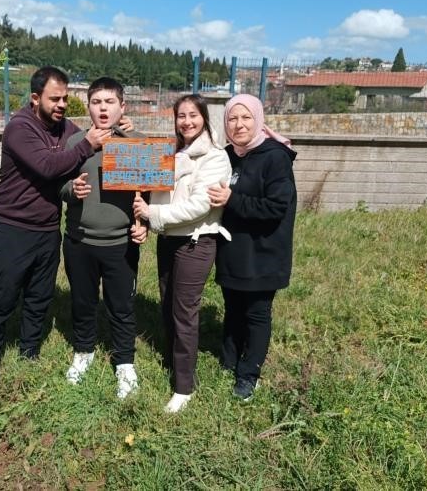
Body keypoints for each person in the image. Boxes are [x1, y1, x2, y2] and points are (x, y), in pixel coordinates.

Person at [0, 66, 111, 384]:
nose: (62, 104)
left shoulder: (65, 128)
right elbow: (48, 166)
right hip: (11, 229)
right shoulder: (20, 128)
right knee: (3, 297)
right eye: (55, 99)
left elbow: (88, 137)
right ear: (35, 98)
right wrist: (87, 144)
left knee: (39, 298)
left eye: (65, 98)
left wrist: (118, 130)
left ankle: (29, 352)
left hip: (47, 230)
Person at [133, 94, 231, 413]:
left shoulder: (215, 157)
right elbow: (153, 186)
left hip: (196, 242)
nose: (187, 121)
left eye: (193, 115)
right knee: (168, 305)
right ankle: (174, 361)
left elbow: (201, 205)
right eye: (180, 116)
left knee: (184, 311)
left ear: (204, 117)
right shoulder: (172, 154)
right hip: (169, 240)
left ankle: (185, 387)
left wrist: (151, 214)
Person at [59, 77, 148, 399]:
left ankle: (124, 361)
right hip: (79, 241)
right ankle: (84, 351)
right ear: (89, 107)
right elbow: (59, 183)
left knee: (121, 306)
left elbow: (150, 193)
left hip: (119, 244)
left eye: (110, 102)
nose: (103, 108)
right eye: (96, 102)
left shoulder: (137, 143)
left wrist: (146, 225)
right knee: (82, 302)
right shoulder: (76, 143)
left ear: (122, 106)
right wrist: (72, 190)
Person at [207, 94, 296, 402]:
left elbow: (276, 207)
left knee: (257, 313)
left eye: (246, 118)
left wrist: (233, 200)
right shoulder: (228, 155)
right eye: (232, 118)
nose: (239, 124)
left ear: (258, 119)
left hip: (263, 252)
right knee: (232, 309)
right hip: (233, 249)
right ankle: (229, 360)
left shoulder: (274, 157)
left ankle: (249, 374)